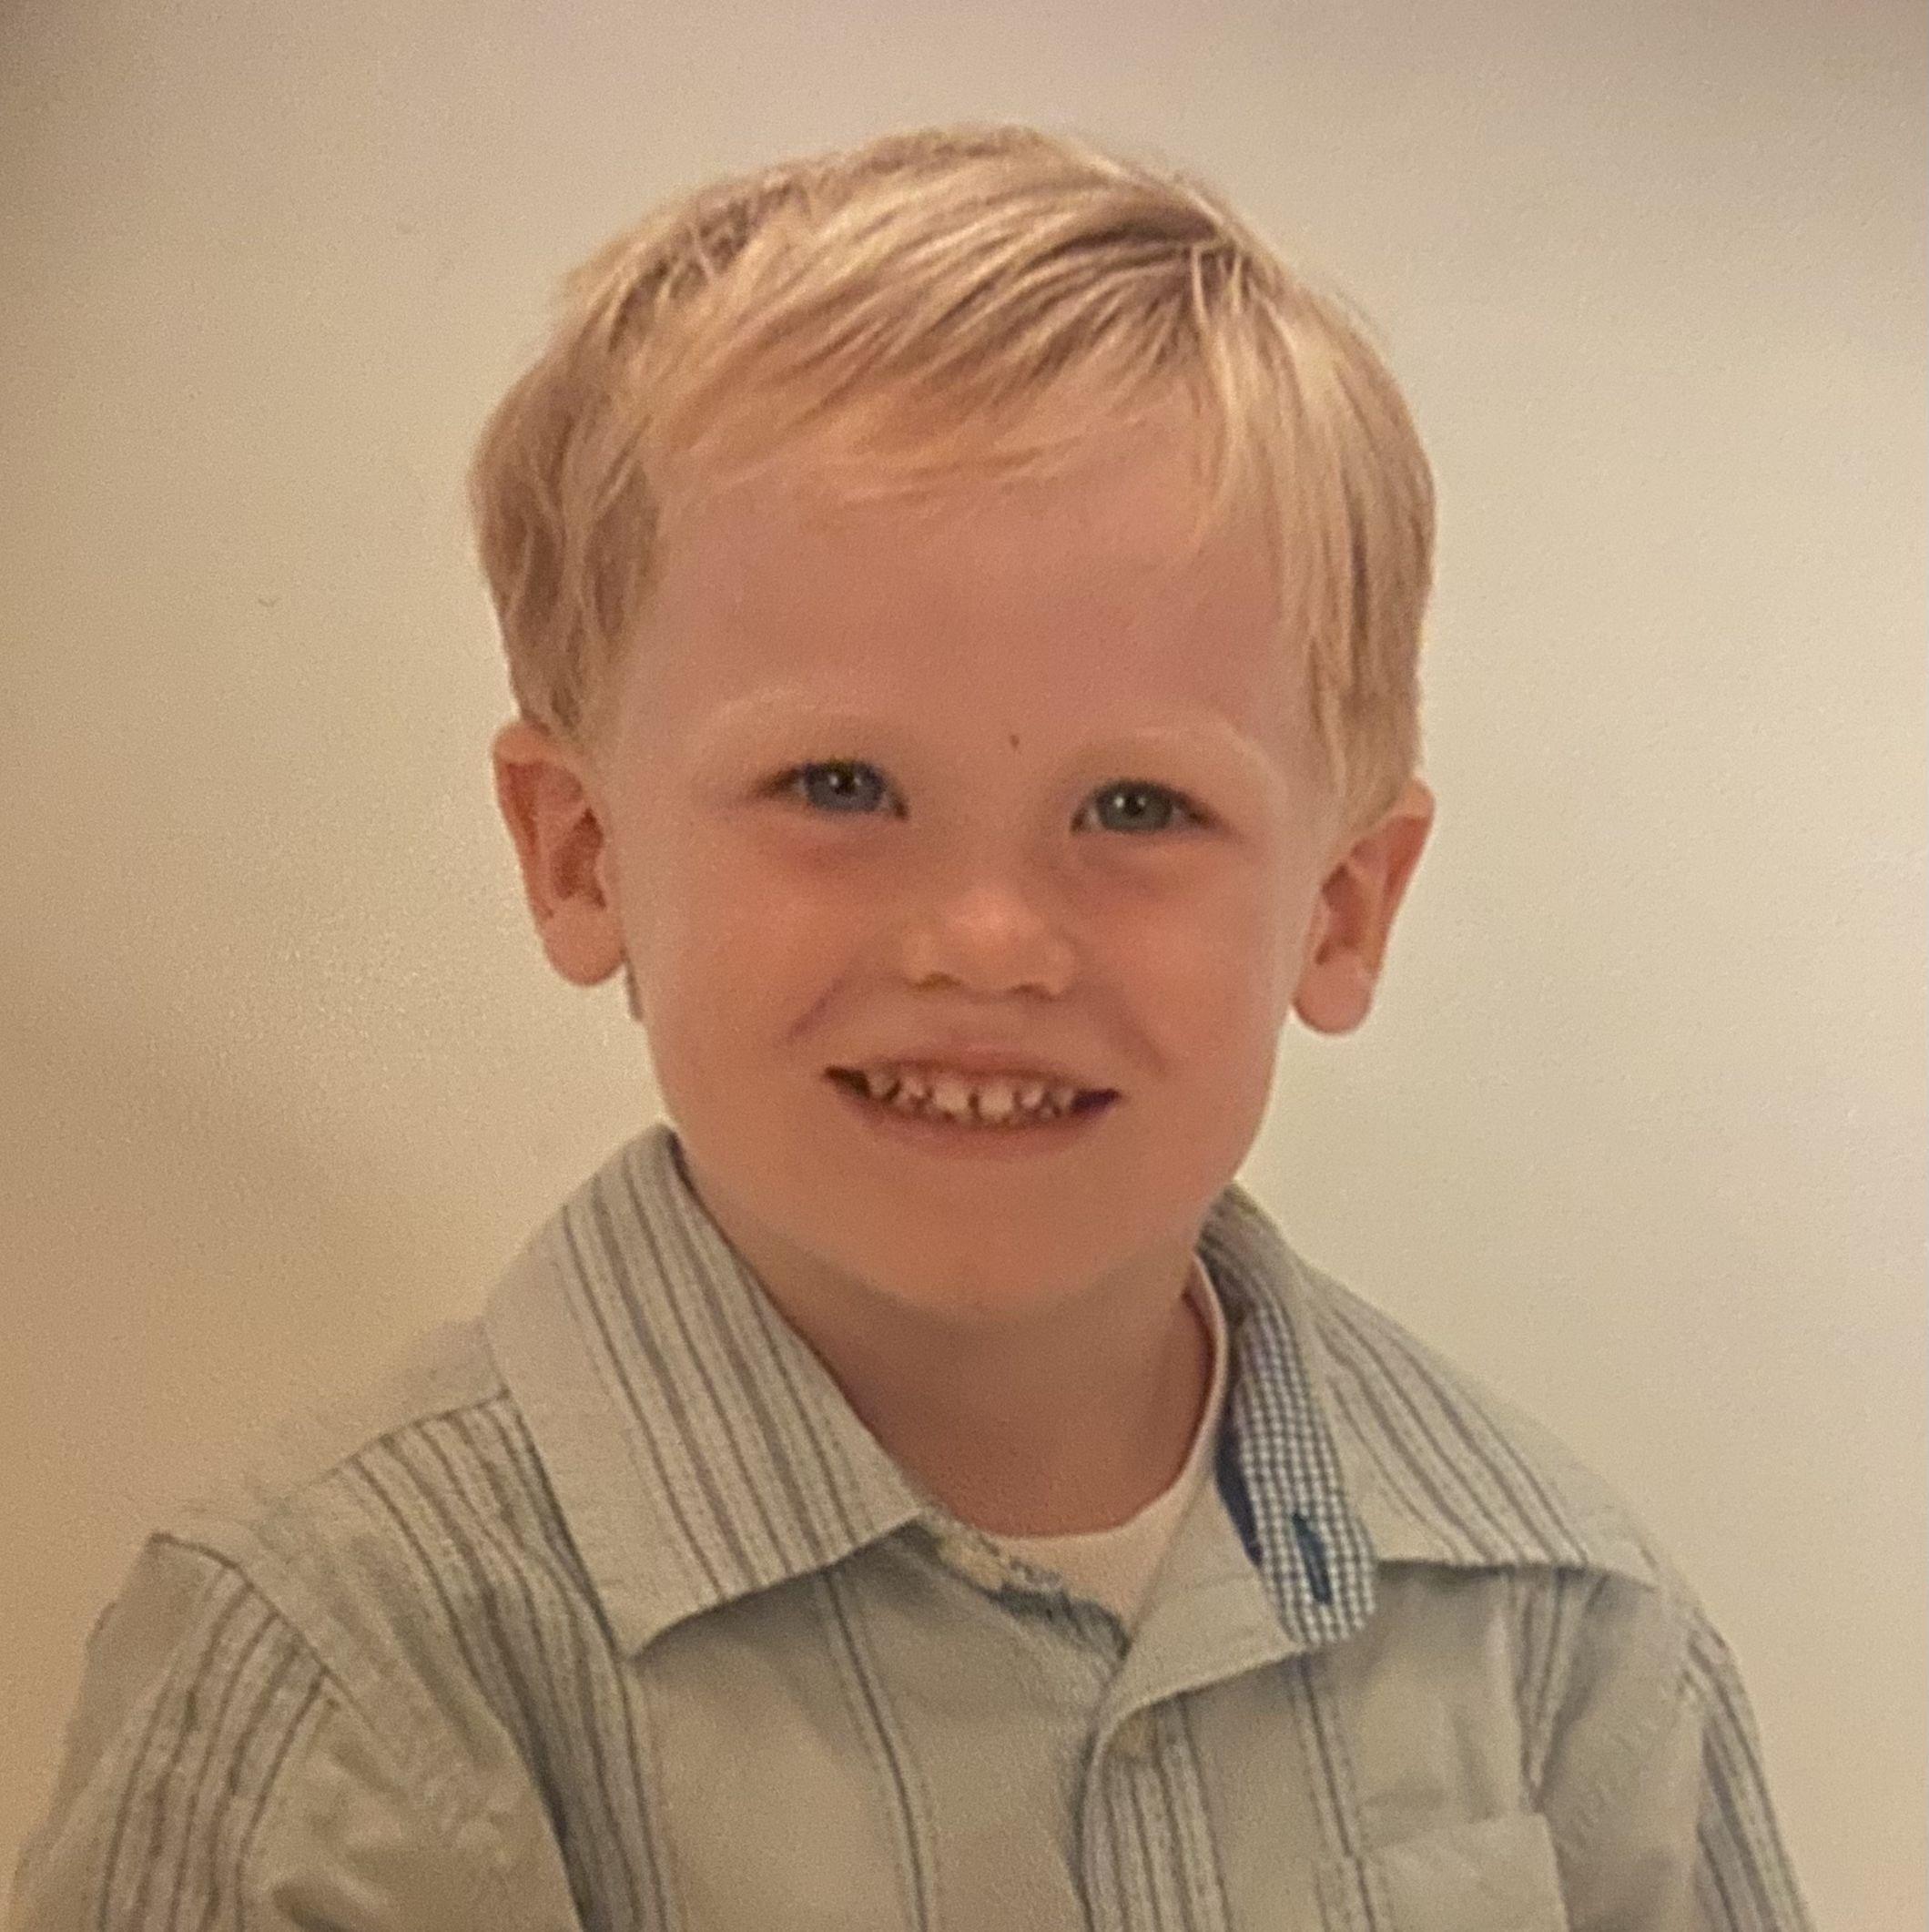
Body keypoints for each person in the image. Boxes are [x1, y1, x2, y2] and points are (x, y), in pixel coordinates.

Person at [9, 123, 1813, 1930]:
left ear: (1342, 906)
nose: (987, 942)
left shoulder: (1568, 1642)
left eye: (1138, 808)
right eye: (839, 784)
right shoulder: (340, 1669)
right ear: (582, 853)